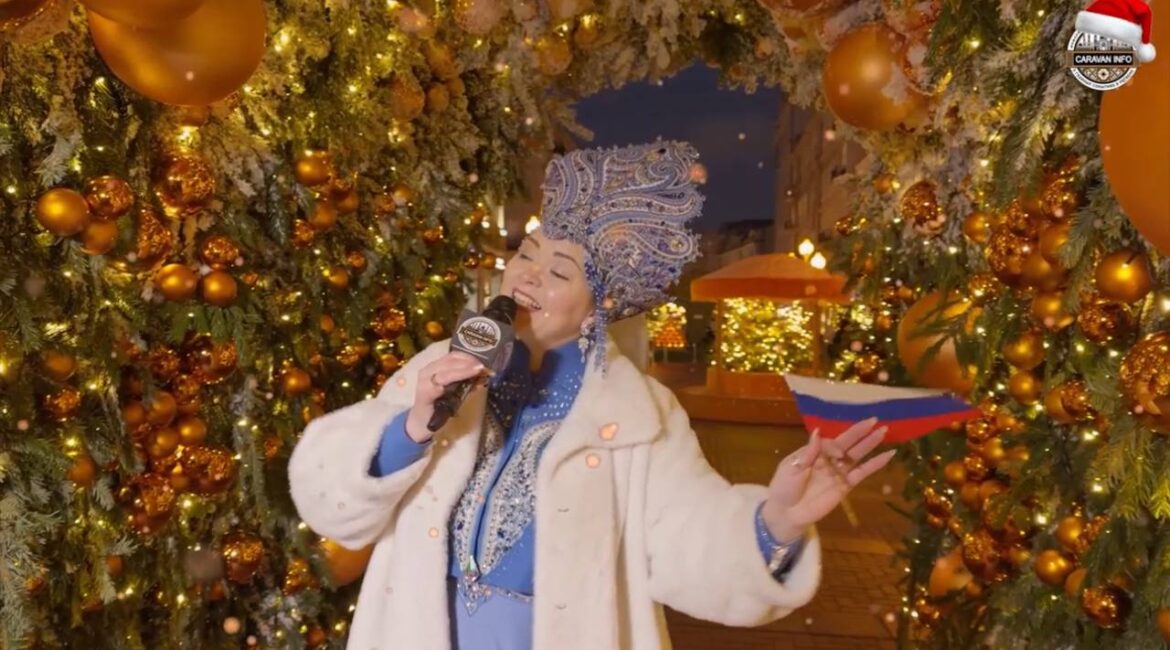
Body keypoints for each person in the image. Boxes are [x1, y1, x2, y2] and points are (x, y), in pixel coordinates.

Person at [288, 141, 894, 650]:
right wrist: (412, 428)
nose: (527, 276)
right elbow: (328, 497)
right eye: (526, 255)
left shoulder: (639, 415)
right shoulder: (440, 366)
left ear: (599, 306)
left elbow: (684, 541)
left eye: (558, 272)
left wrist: (776, 523)